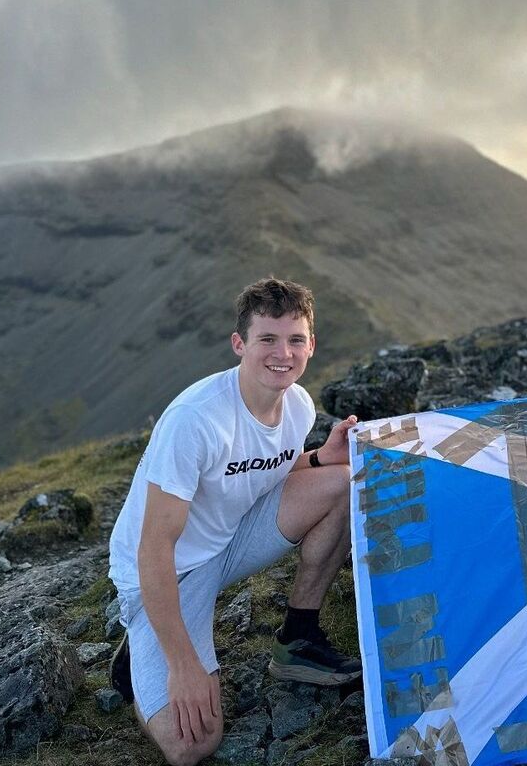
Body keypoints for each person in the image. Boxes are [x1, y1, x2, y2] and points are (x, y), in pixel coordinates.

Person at [107, 277, 360, 766]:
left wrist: (319, 458)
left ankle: (299, 641)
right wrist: (183, 666)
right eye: (267, 339)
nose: (281, 353)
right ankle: (141, 653)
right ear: (240, 344)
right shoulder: (195, 420)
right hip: (170, 572)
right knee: (191, 746)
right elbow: (153, 548)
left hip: (231, 539)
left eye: (294, 339)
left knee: (343, 478)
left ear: (311, 344)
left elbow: (264, 469)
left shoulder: (299, 405)